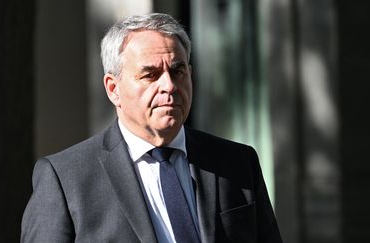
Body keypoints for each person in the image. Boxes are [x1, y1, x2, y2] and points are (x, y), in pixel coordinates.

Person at [21, 13, 282, 243]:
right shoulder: (66, 179)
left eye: (178, 71)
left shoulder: (236, 164)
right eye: (150, 75)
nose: (169, 86)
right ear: (113, 89)